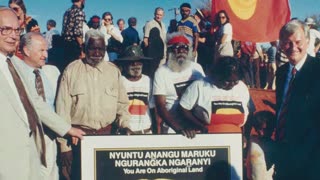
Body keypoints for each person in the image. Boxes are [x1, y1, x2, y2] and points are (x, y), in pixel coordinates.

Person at [0, 7, 84, 180]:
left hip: (29, 155)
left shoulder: (15, 64)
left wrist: (67, 129)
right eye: (5, 29)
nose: (13, 35)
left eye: (17, 30)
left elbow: (36, 103)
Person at [55, 29, 131, 180]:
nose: (97, 53)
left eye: (101, 49)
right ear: (84, 48)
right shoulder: (71, 70)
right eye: (93, 48)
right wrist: (64, 147)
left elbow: (122, 105)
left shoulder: (113, 71)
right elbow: (62, 110)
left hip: (107, 138)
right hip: (79, 141)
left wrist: (126, 126)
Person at [275, 20, 320, 179]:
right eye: (287, 43)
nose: (293, 47)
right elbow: (283, 107)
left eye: (298, 42)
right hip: (284, 152)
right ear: (280, 45)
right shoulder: (281, 73)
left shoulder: (317, 69)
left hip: (312, 157)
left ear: (308, 42)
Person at [19, 32, 61, 180]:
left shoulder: (53, 72)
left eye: (46, 50)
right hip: (26, 138)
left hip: (49, 136)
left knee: (51, 173)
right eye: (41, 50)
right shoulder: (15, 73)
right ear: (26, 50)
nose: (45, 54)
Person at [179, 56, 250, 133]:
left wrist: (244, 135)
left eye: (235, 81)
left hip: (235, 138)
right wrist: (200, 126)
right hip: (208, 137)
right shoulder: (200, 85)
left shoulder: (241, 87)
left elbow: (249, 112)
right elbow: (183, 108)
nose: (232, 84)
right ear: (218, 75)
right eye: (228, 81)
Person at [153, 32, 205, 138]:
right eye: (177, 48)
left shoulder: (197, 68)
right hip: (173, 128)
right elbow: (160, 107)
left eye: (185, 48)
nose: (182, 51)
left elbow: (206, 95)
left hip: (197, 125)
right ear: (170, 51)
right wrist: (179, 129)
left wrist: (201, 125)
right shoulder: (161, 72)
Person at [115, 45, 156, 134]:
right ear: (125, 64)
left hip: (146, 132)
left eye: (138, 62)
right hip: (125, 133)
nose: (135, 65)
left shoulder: (149, 81)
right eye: (131, 62)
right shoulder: (119, 81)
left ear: (143, 63)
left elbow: (153, 109)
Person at [247, 111, 276, 180]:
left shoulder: (275, 147)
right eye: (259, 129)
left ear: (272, 129)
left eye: (265, 129)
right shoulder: (251, 141)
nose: (261, 133)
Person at [61, 0, 86, 70]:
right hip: (74, 46)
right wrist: (82, 49)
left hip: (65, 44)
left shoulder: (67, 11)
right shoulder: (79, 12)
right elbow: (77, 32)